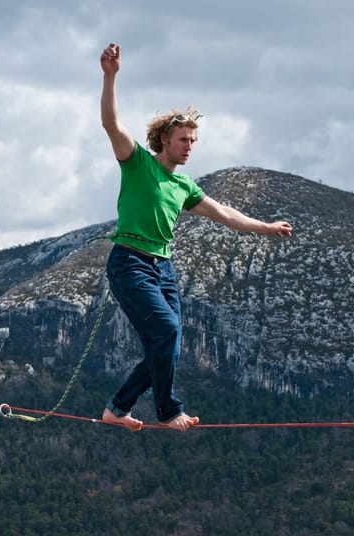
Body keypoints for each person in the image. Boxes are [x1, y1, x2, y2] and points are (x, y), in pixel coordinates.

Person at [99, 43, 293, 432]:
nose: (189, 147)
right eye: (183, 140)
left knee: (166, 345)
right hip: (130, 262)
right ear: (165, 140)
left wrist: (266, 227)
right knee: (167, 332)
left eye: (193, 141)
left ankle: (118, 409)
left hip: (162, 268)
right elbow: (110, 123)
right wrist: (110, 75)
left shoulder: (183, 185)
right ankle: (169, 410)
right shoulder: (136, 162)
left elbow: (225, 215)